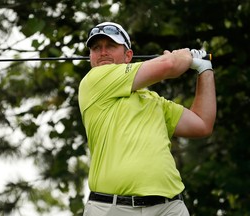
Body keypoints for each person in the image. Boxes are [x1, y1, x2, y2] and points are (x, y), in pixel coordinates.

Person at [78, 22, 216, 216]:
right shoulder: (94, 81)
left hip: (169, 207)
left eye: (110, 46)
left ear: (128, 56)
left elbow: (202, 124)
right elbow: (168, 65)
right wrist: (182, 56)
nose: (102, 52)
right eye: (96, 48)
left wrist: (204, 69)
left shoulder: (153, 100)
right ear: (91, 57)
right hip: (113, 208)